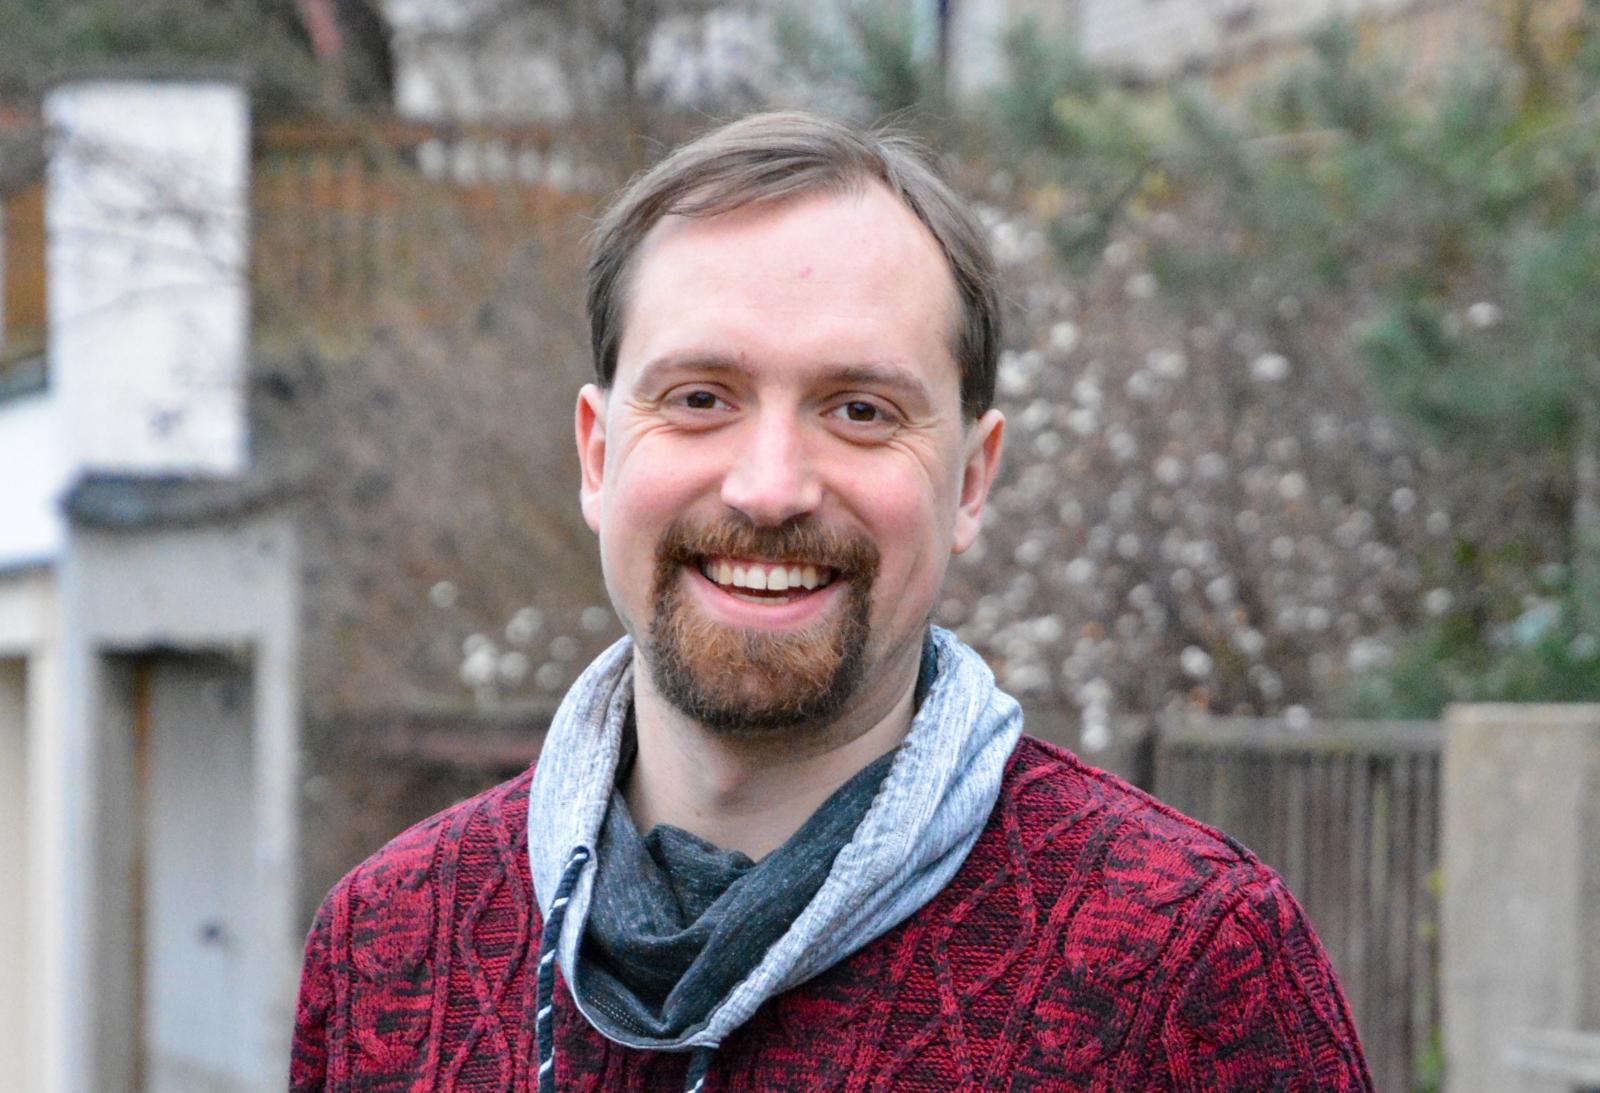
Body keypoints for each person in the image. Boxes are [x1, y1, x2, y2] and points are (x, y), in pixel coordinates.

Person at [290, 111, 1372, 1092]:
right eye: (700, 397)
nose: (770, 487)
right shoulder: (388, 945)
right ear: (597, 453)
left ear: (971, 481)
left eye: (859, 410)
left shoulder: (1189, 967)